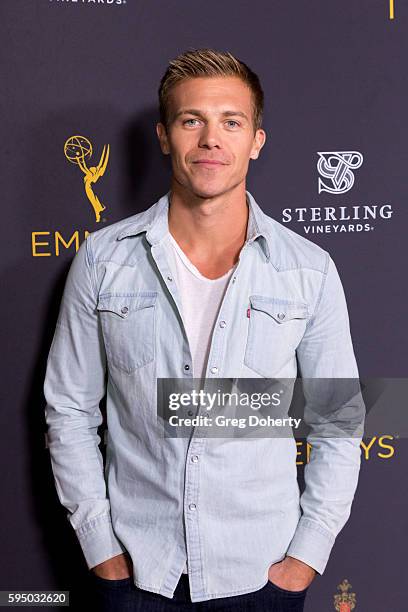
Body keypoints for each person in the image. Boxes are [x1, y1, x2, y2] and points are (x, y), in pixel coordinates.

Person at [43, 48, 365, 611]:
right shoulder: (102, 260)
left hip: (261, 581)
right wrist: (102, 550)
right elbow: (69, 408)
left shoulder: (308, 270)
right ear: (165, 136)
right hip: (137, 577)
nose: (211, 139)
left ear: (256, 140)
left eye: (231, 122)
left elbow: (339, 419)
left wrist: (304, 559)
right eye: (192, 120)